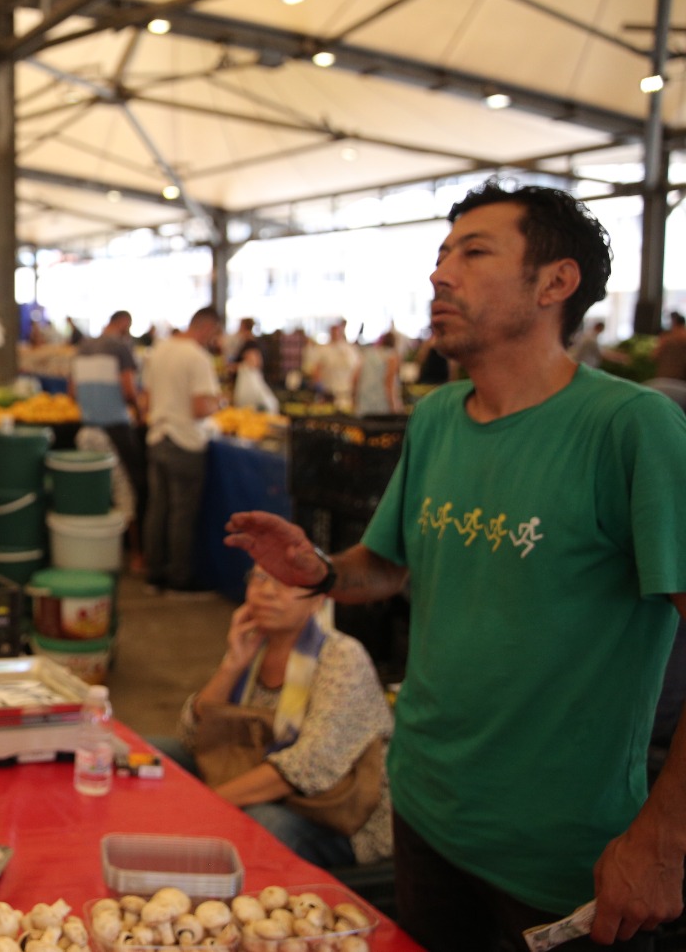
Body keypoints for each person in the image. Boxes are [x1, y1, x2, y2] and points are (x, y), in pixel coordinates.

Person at [225, 181, 686, 948]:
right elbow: (388, 567)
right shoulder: (439, 416)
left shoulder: (630, 428)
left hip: (562, 853)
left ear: (555, 283)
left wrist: (664, 842)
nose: (441, 274)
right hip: (427, 814)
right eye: (442, 254)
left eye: (474, 253)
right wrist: (319, 571)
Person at [149, 566, 392, 868]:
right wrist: (233, 664)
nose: (267, 591)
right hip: (260, 779)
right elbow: (193, 738)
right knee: (153, 755)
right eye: (259, 578)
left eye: (288, 581)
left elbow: (308, 767)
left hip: (337, 814)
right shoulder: (255, 643)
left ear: (318, 599)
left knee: (261, 824)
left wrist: (206, 805)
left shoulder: (342, 656)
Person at [141, 307, 223, 593]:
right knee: (181, 514)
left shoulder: (160, 350)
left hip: (158, 436)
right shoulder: (197, 357)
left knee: (158, 509)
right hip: (184, 440)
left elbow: (145, 399)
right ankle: (179, 578)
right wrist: (219, 402)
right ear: (207, 327)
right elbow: (201, 407)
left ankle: (154, 573)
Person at [70, 309, 147, 518]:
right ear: (123, 323)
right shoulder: (120, 347)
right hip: (116, 429)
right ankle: (130, 542)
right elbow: (129, 389)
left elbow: (72, 391)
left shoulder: (82, 347)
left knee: (97, 486)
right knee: (131, 486)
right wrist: (141, 412)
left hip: (87, 429)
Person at [305, 320, 360, 412]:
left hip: (346, 395)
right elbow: (315, 372)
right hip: (328, 395)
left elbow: (357, 371)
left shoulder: (351, 350)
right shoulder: (323, 350)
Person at [353, 331, 402, 416]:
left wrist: (354, 399)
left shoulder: (368, 354)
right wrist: (394, 406)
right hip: (382, 406)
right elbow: (389, 383)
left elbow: (355, 378)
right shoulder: (392, 356)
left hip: (364, 403)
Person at [231, 340, 279, 414]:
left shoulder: (256, 373)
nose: (258, 359)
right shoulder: (244, 370)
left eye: (258, 356)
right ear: (245, 356)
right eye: (254, 355)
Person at [653, 311, 686, 383]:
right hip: (682, 381)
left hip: (665, 379)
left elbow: (654, 356)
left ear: (674, 322)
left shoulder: (666, 338)